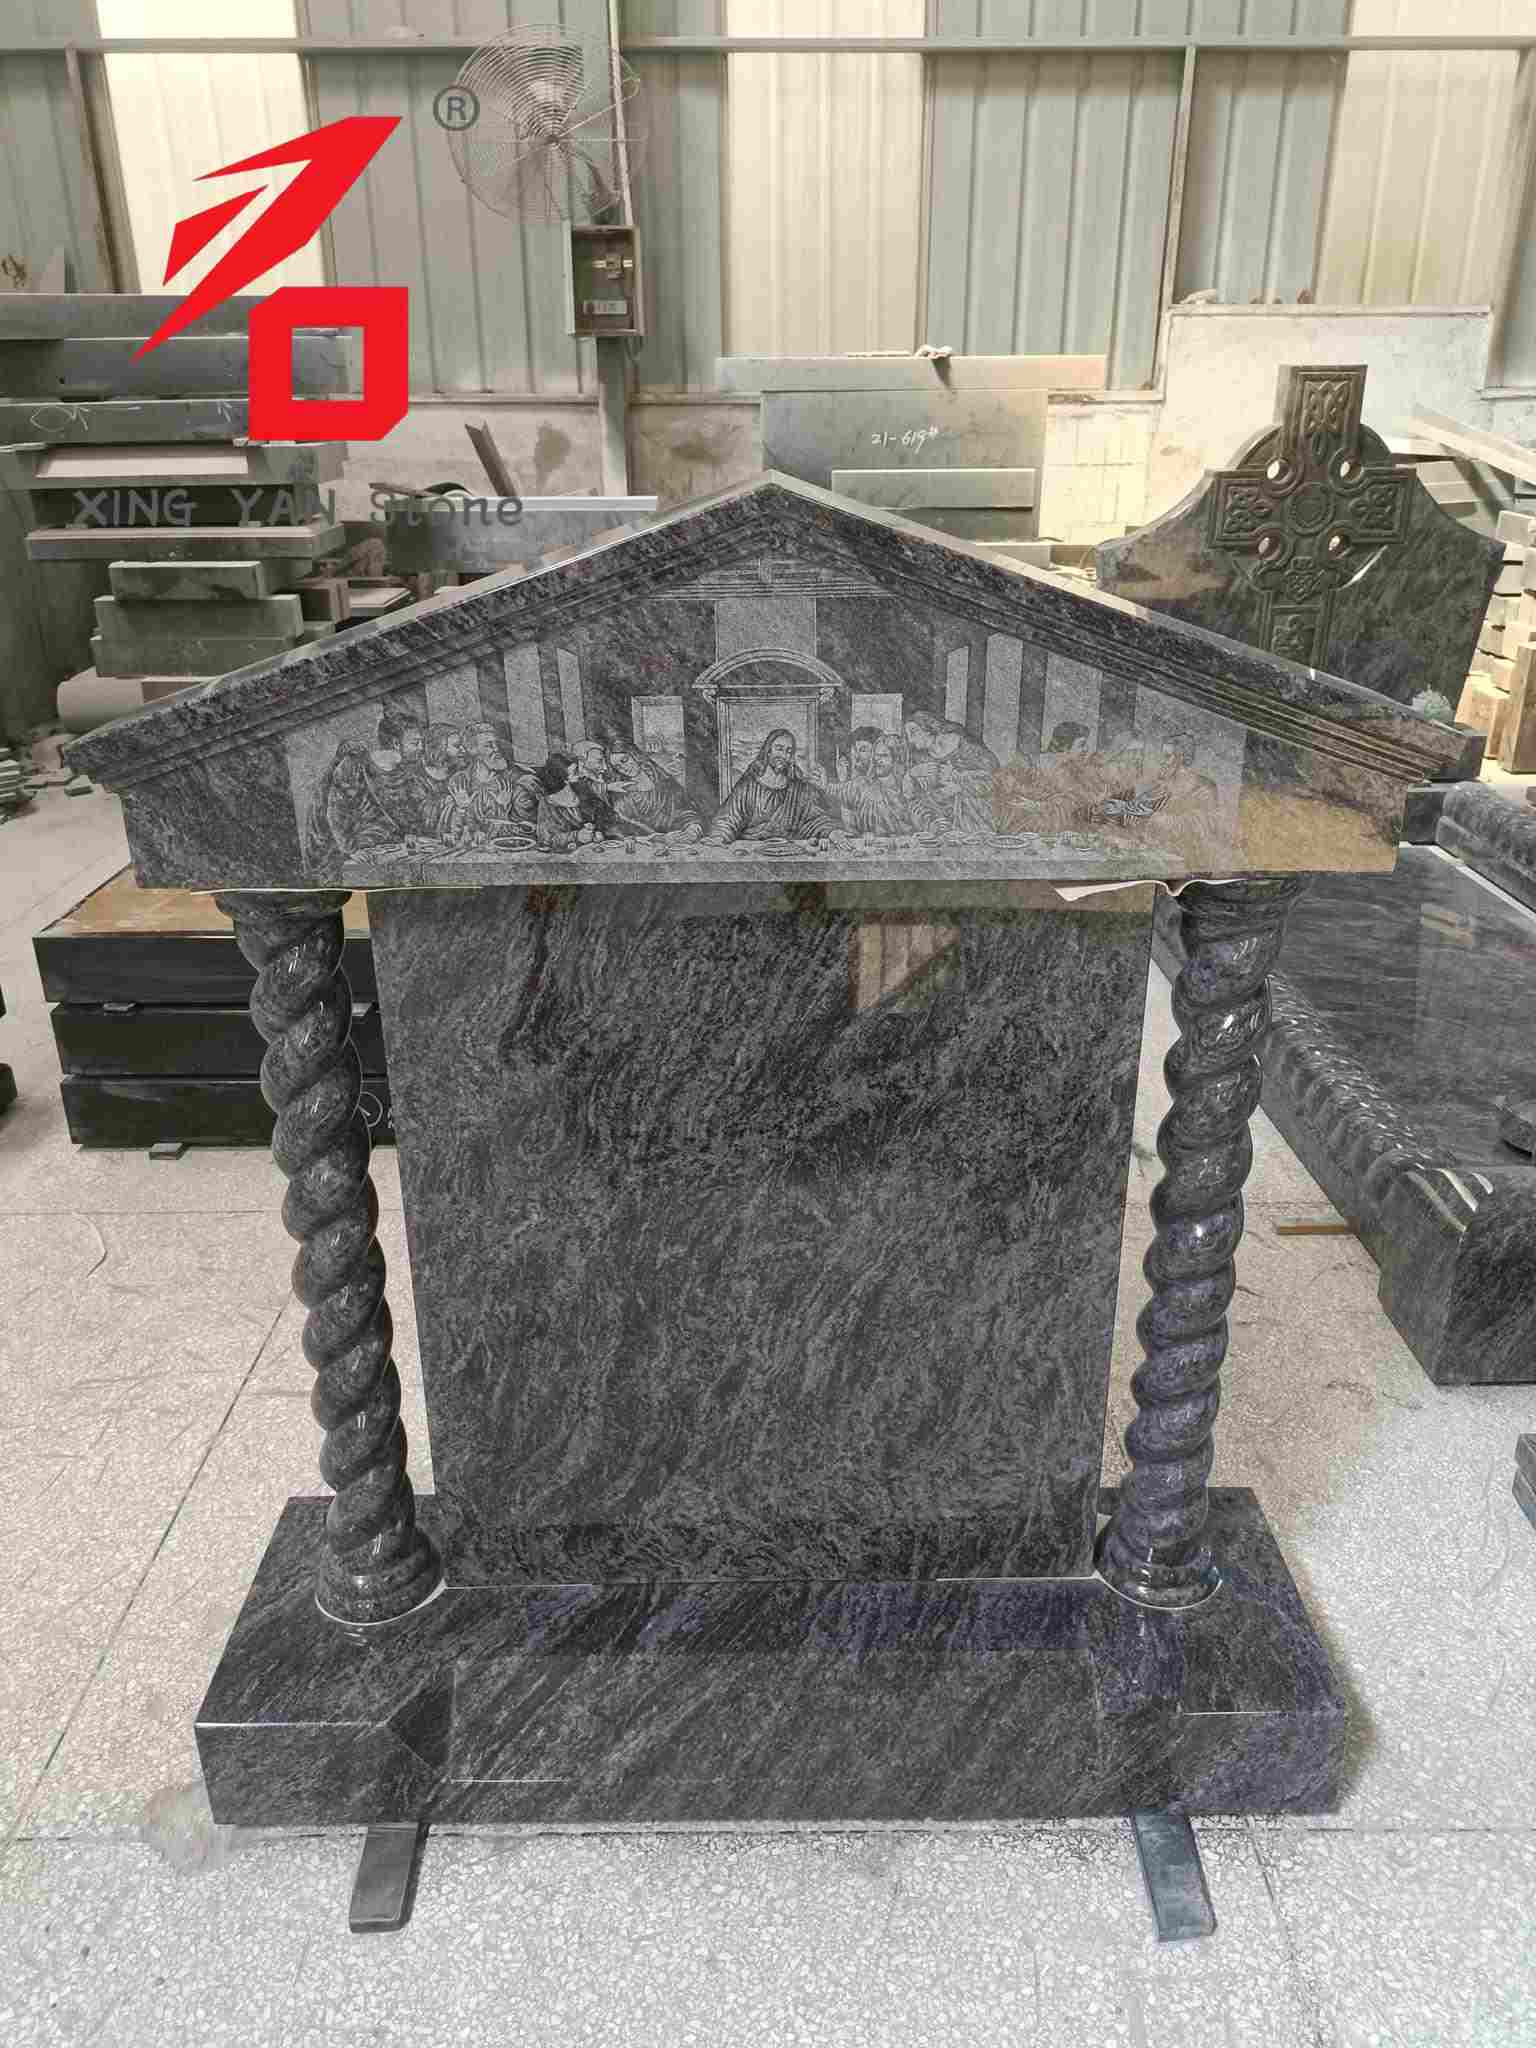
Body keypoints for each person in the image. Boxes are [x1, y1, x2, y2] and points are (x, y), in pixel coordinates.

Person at [705, 728, 834, 845]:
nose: (784, 756)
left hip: (788, 850)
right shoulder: (748, 786)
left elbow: (815, 819)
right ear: (768, 751)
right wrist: (719, 837)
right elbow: (729, 818)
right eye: (779, 749)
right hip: (752, 851)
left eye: (789, 752)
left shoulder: (797, 789)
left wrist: (832, 833)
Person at [902, 711, 998, 839]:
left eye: (913, 732)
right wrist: (910, 775)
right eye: (908, 735)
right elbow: (914, 797)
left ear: (928, 728)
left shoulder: (965, 746)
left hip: (973, 816)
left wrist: (957, 781)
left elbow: (993, 779)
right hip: (942, 820)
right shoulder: (920, 757)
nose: (910, 740)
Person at [603, 737, 703, 838]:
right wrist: (654, 838)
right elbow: (624, 827)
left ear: (635, 755)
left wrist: (693, 827)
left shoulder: (663, 780)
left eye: (624, 760)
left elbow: (684, 808)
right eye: (618, 767)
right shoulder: (622, 795)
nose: (623, 768)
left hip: (678, 839)